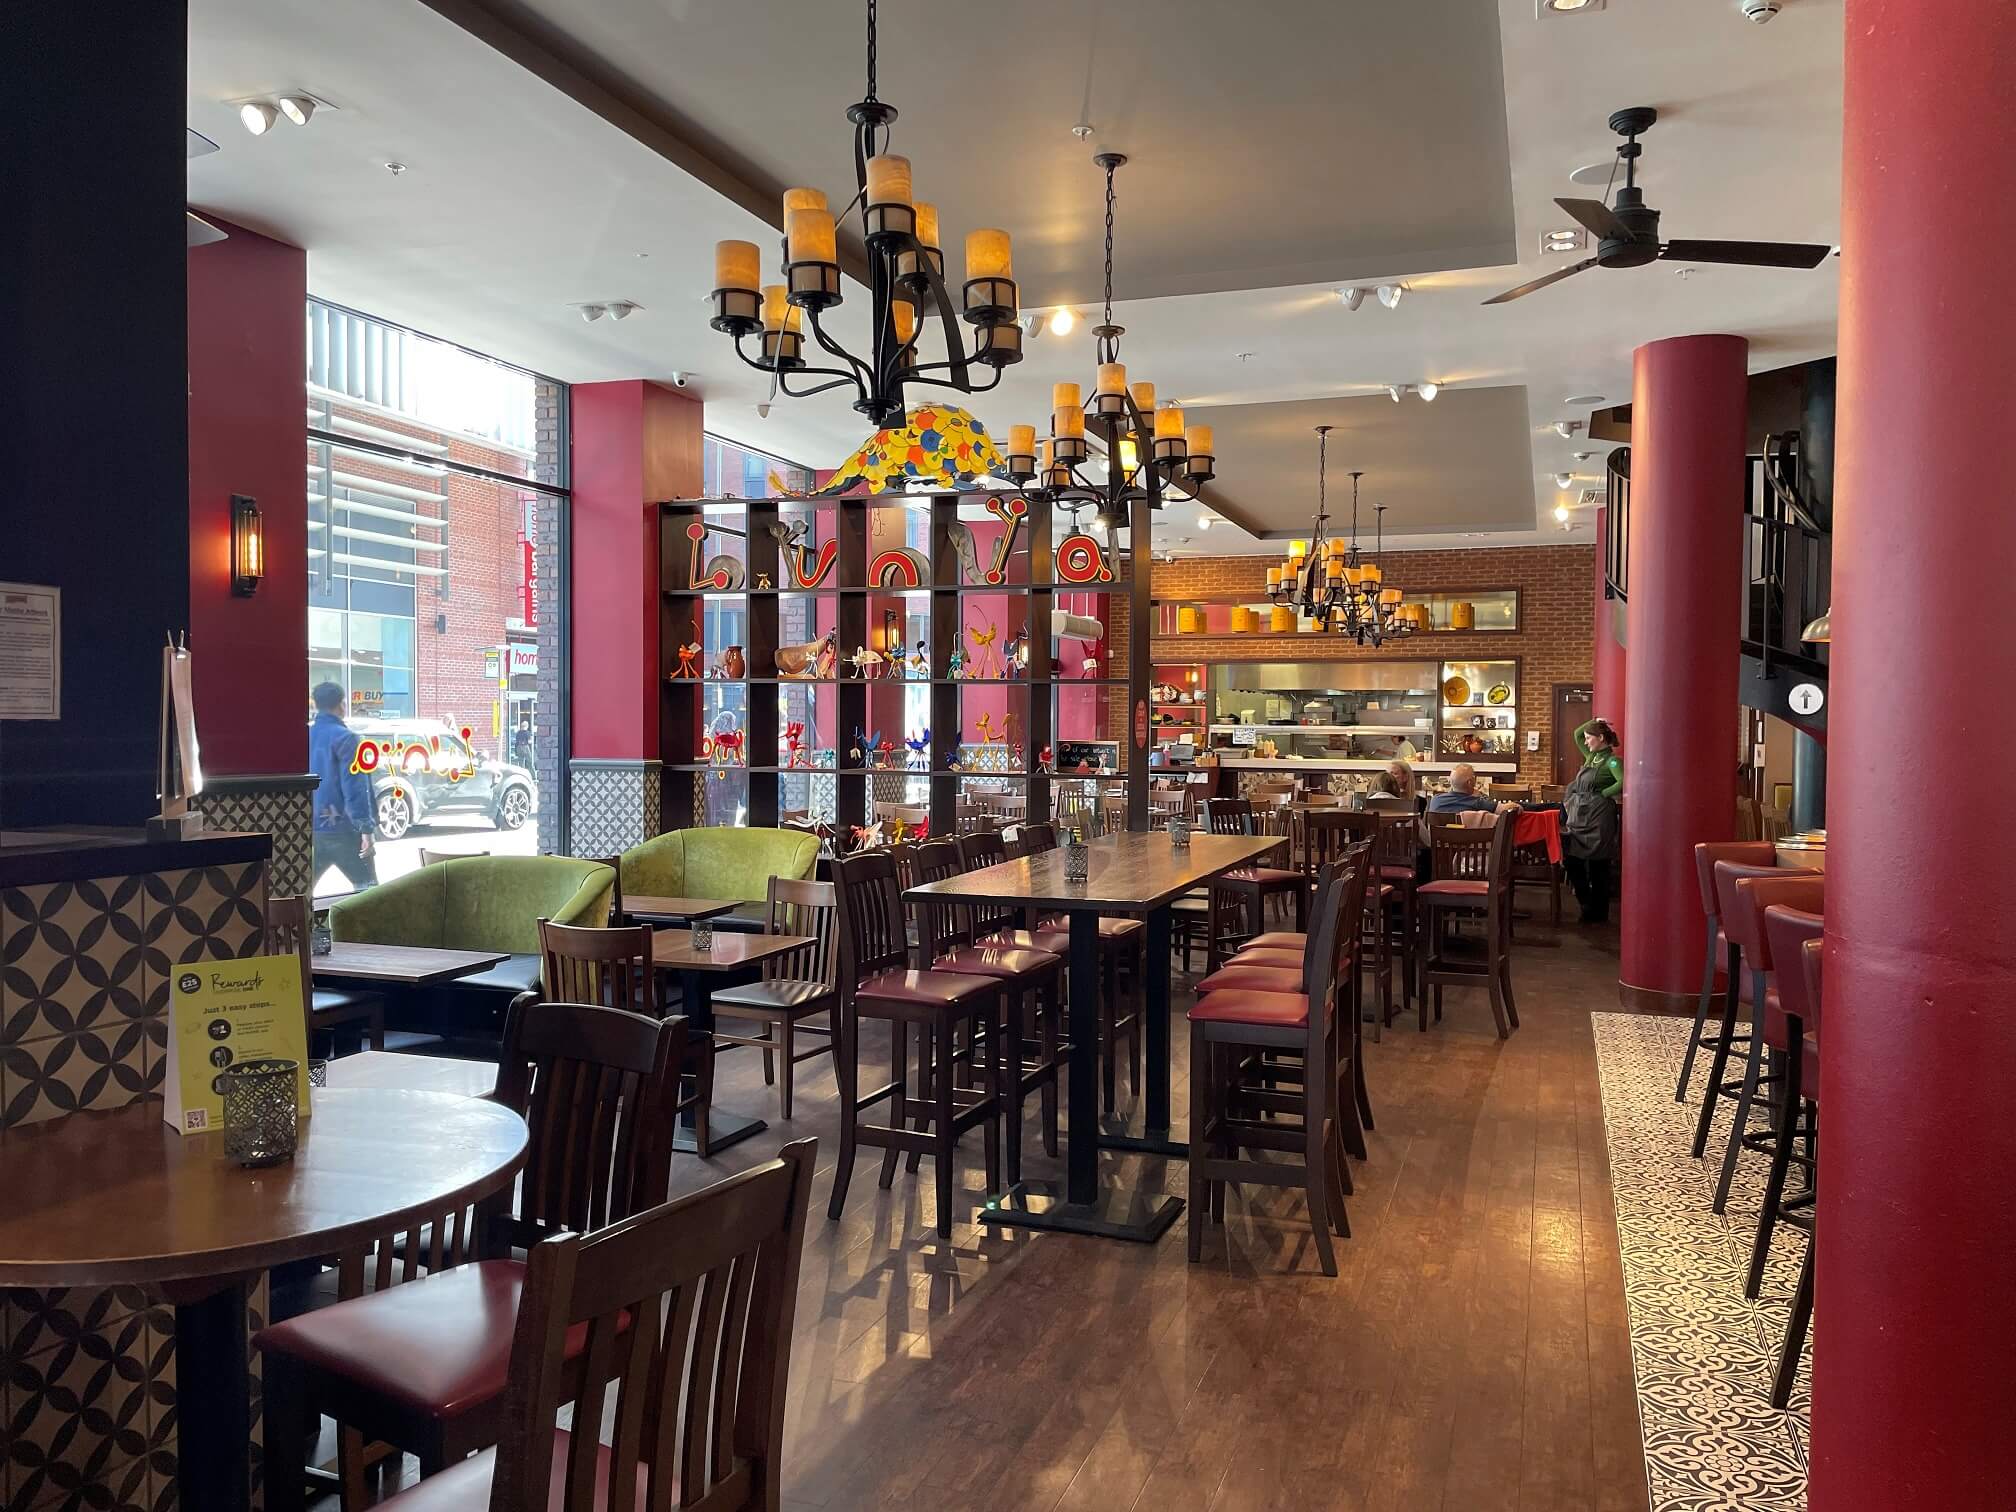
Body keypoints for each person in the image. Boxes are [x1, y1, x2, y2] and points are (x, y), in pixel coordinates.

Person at [310, 682, 378, 893]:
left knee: (300, 890)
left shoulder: (304, 736)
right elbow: (355, 787)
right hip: (343, 828)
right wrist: (366, 829)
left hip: (311, 826)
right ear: (341, 705)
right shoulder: (347, 739)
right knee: (368, 891)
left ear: (316, 705)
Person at [1562, 717, 1623, 924]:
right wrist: (1594, 720)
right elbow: (1576, 734)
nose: (1586, 741)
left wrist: (1604, 793)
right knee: (1572, 859)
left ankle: (1598, 913)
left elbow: (1623, 781)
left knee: (1599, 865)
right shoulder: (1590, 757)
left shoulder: (1612, 761)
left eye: (1590, 738)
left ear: (1601, 738)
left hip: (1599, 817)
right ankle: (1586, 904)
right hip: (1580, 816)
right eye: (1587, 738)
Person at [1425, 763, 1499, 817]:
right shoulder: (1478, 802)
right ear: (1469, 782)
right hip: (1469, 835)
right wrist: (1481, 795)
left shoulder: (1435, 800)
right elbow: (1503, 810)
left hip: (1440, 834)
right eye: (1474, 777)